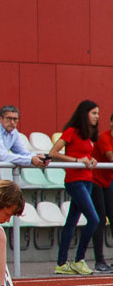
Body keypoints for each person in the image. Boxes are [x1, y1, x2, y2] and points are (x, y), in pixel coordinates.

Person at [48, 100, 101, 276]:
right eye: (94, 113)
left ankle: (61, 263)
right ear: (85, 113)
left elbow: (85, 155)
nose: (97, 117)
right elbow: (54, 153)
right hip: (75, 181)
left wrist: (90, 160)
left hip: (87, 180)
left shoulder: (89, 134)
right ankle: (79, 260)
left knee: (71, 222)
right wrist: (77, 161)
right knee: (94, 219)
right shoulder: (71, 131)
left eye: (98, 114)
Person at [90, 113, 113, 273]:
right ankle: (99, 260)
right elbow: (110, 157)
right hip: (95, 180)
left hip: (108, 181)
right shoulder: (103, 137)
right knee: (100, 219)